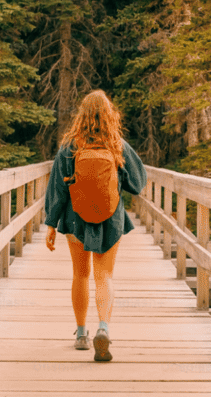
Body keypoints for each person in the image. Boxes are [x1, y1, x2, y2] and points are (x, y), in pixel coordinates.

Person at [43, 89, 146, 362]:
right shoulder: (117, 145)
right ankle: (104, 328)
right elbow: (137, 184)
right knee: (105, 275)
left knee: (81, 274)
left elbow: (57, 189)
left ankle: (80, 334)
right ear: (110, 115)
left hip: (75, 218)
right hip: (111, 218)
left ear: (82, 115)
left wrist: (51, 224)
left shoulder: (69, 148)